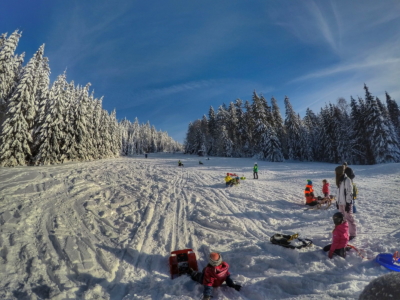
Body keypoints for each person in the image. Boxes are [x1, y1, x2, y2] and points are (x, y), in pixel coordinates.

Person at [335, 165, 357, 240]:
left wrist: (348, 203)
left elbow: (349, 192)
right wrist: (337, 202)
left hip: (346, 203)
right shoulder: (339, 180)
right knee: (342, 219)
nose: (335, 174)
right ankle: (343, 231)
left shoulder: (347, 180)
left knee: (349, 218)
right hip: (340, 203)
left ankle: (353, 234)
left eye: (336, 173)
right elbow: (338, 193)